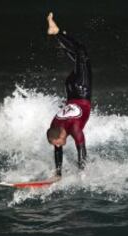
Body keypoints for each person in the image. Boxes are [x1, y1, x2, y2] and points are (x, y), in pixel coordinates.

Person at [46, 12, 92, 178]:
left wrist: (82, 175)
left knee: (82, 54)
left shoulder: (73, 128)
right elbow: (64, 148)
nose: (58, 146)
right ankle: (62, 39)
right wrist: (58, 173)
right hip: (71, 89)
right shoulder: (55, 126)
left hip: (80, 89)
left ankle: (57, 33)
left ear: (61, 134)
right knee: (79, 60)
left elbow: (82, 150)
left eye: (57, 143)